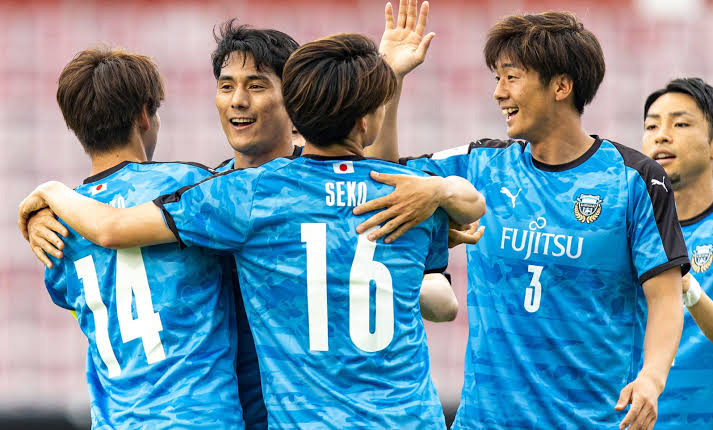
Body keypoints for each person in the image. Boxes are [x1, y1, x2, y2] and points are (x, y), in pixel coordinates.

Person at [19, 32, 485, 428]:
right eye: (226, 86)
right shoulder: (211, 190)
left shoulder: (224, 196)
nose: (238, 100)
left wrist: (51, 200)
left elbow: (110, 226)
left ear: (294, 102)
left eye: (257, 85)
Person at [361, 10, 689, 430]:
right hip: (484, 421)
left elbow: (665, 298)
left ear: (561, 86)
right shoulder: (481, 163)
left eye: (511, 77)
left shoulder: (635, 179)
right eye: (497, 78)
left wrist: (652, 379)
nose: (498, 93)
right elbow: (381, 178)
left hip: (593, 420)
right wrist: (391, 78)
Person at [36, 47, 243, 429]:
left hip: (116, 421)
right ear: (144, 116)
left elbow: (71, 297)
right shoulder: (188, 184)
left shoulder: (58, 223)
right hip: (197, 417)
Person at [641, 77, 713, 429]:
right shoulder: (630, 228)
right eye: (651, 126)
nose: (661, 136)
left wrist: (688, 288)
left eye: (680, 124)